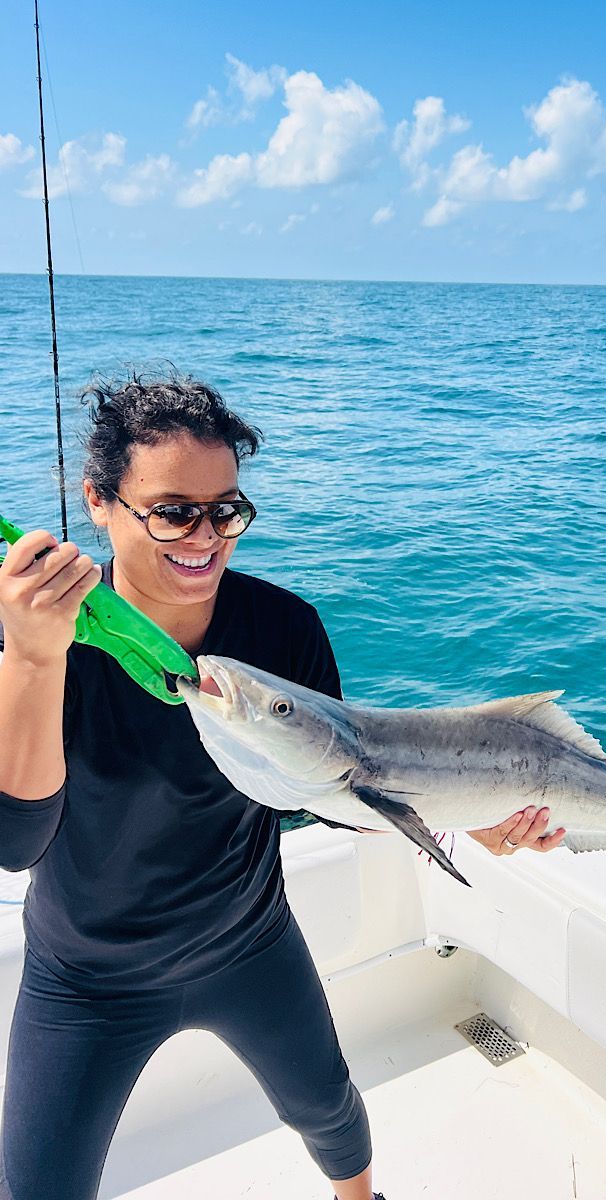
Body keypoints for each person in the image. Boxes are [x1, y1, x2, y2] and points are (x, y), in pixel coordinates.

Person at [0, 372, 565, 1200]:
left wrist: (467, 817)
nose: (205, 537)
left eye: (225, 510)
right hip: (86, 978)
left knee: (329, 1109)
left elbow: (333, 794)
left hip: (248, 942)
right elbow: (17, 843)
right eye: (173, 511)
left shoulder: (283, 629)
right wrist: (33, 657)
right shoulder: (46, 641)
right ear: (98, 501)